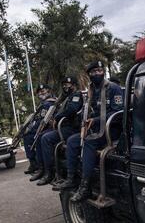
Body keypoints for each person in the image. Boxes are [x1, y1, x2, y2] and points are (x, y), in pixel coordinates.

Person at [53, 61, 124, 202]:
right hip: (97, 128)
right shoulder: (92, 89)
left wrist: (95, 120)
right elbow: (89, 111)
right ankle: (72, 178)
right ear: (89, 75)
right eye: (93, 72)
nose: (97, 73)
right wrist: (84, 122)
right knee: (72, 141)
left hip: (112, 129)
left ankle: (85, 186)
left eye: (99, 70)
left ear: (103, 72)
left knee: (89, 142)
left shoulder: (113, 88)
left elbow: (119, 113)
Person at [34, 76, 83, 185]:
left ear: (74, 85)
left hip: (72, 128)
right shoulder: (66, 97)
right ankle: (44, 169)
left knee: (46, 138)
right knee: (41, 136)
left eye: (68, 85)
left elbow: (72, 110)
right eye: (64, 85)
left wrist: (57, 118)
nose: (65, 87)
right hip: (63, 127)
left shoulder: (76, 95)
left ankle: (51, 172)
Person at [23, 84, 56, 175]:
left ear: (49, 91)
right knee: (27, 135)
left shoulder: (48, 103)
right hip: (45, 126)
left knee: (29, 136)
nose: (41, 93)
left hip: (49, 126)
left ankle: (37, 164)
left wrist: (31, 129)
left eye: (44, 91)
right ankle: (34, 163)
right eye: (39, 92)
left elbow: (42, 120)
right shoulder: (43, 104)